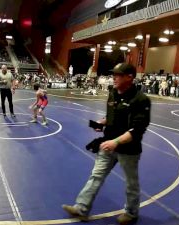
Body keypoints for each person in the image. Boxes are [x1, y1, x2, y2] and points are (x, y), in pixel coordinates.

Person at [62, 63, 151, 225]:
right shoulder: (112, 93)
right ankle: (81, 208)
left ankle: (131, 213)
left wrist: (115, 142)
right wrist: (101, 123)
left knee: (131, 183)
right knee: (96, 176)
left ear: (130, 77)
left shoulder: (141, 100)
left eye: (118, 75)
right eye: (113, 74)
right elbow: (111, 117)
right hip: (108, 144)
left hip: (128, 149)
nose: (113, 77)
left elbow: (137, 130)